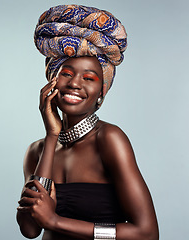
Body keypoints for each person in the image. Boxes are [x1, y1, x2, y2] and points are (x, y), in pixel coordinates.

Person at [16, 5, 159, 240]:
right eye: (66, 73)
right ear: (52, 81)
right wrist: (52, 137)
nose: (75, 83)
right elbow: (30, 229)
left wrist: (55, 221)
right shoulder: (36, 151)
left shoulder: (109, 139)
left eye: (89, 78)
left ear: (101, 93)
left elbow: (146, 233)